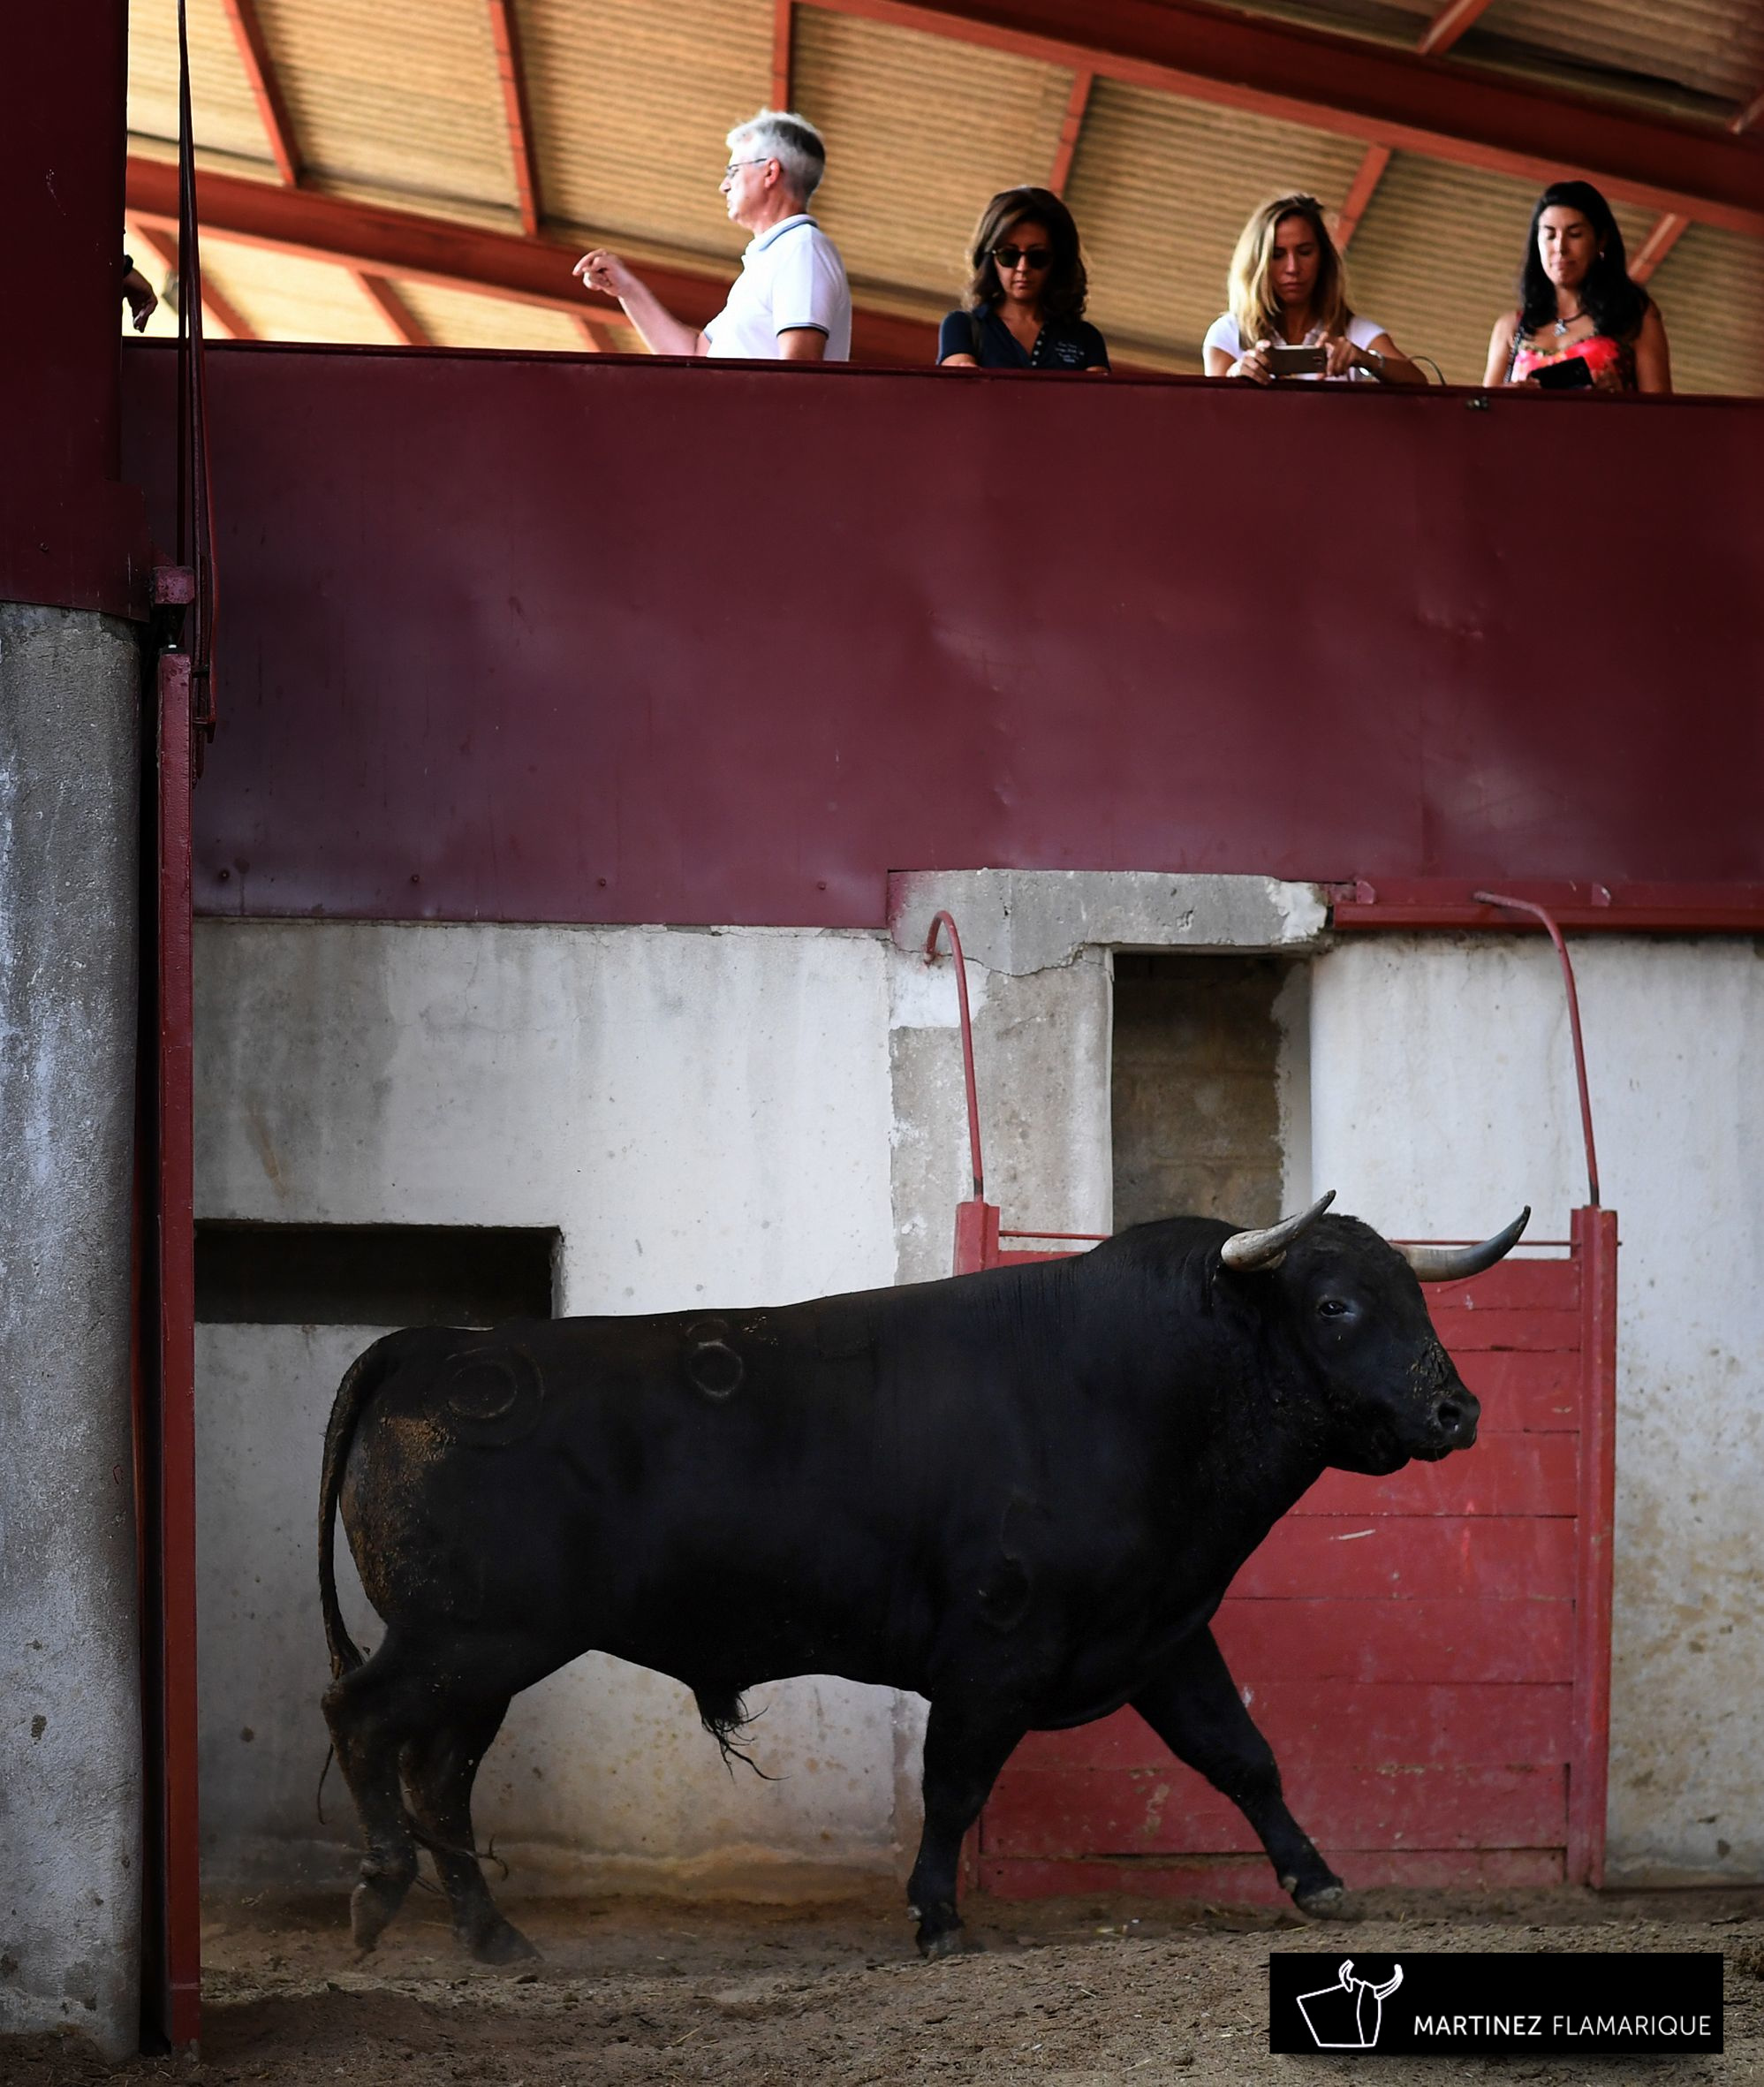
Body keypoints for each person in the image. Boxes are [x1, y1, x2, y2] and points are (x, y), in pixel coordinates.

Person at [572, 110, 850, 361]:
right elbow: (694, 355)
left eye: (733, 171)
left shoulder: (801, 247)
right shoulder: (771, 260)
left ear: (770, 172)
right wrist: (627, 290)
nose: (724, 185)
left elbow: (800, 370)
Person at [1203, 194, 1427, 385]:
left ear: (1323, 258)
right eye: (1277, 255)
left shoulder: (1354, 331)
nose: (1293, 268)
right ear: (1257, 264)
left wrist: (1366, 359)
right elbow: (1211, 410)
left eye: (1305, 252)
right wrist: (1234, 376)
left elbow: (1419, 384)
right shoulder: (1228, 333)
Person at [1483, 180, 1670, 393]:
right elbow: (1482, 410)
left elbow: (1660, 410)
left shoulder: (1635, 315)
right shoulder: (1511, 328)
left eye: (1575, 235)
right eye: (1550, 236)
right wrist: (1510, 396)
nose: (1560, 248)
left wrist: (1619, 399)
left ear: (1601, 240)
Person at [936, 187, 1109, 372]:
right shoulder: (962, 327)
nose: (1023, 268)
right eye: (1009, 255)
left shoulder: (1086, 338)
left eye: (1037, 257)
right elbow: (958, 384)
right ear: (990, 259)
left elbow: (1098, 390)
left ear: (1058, 261)